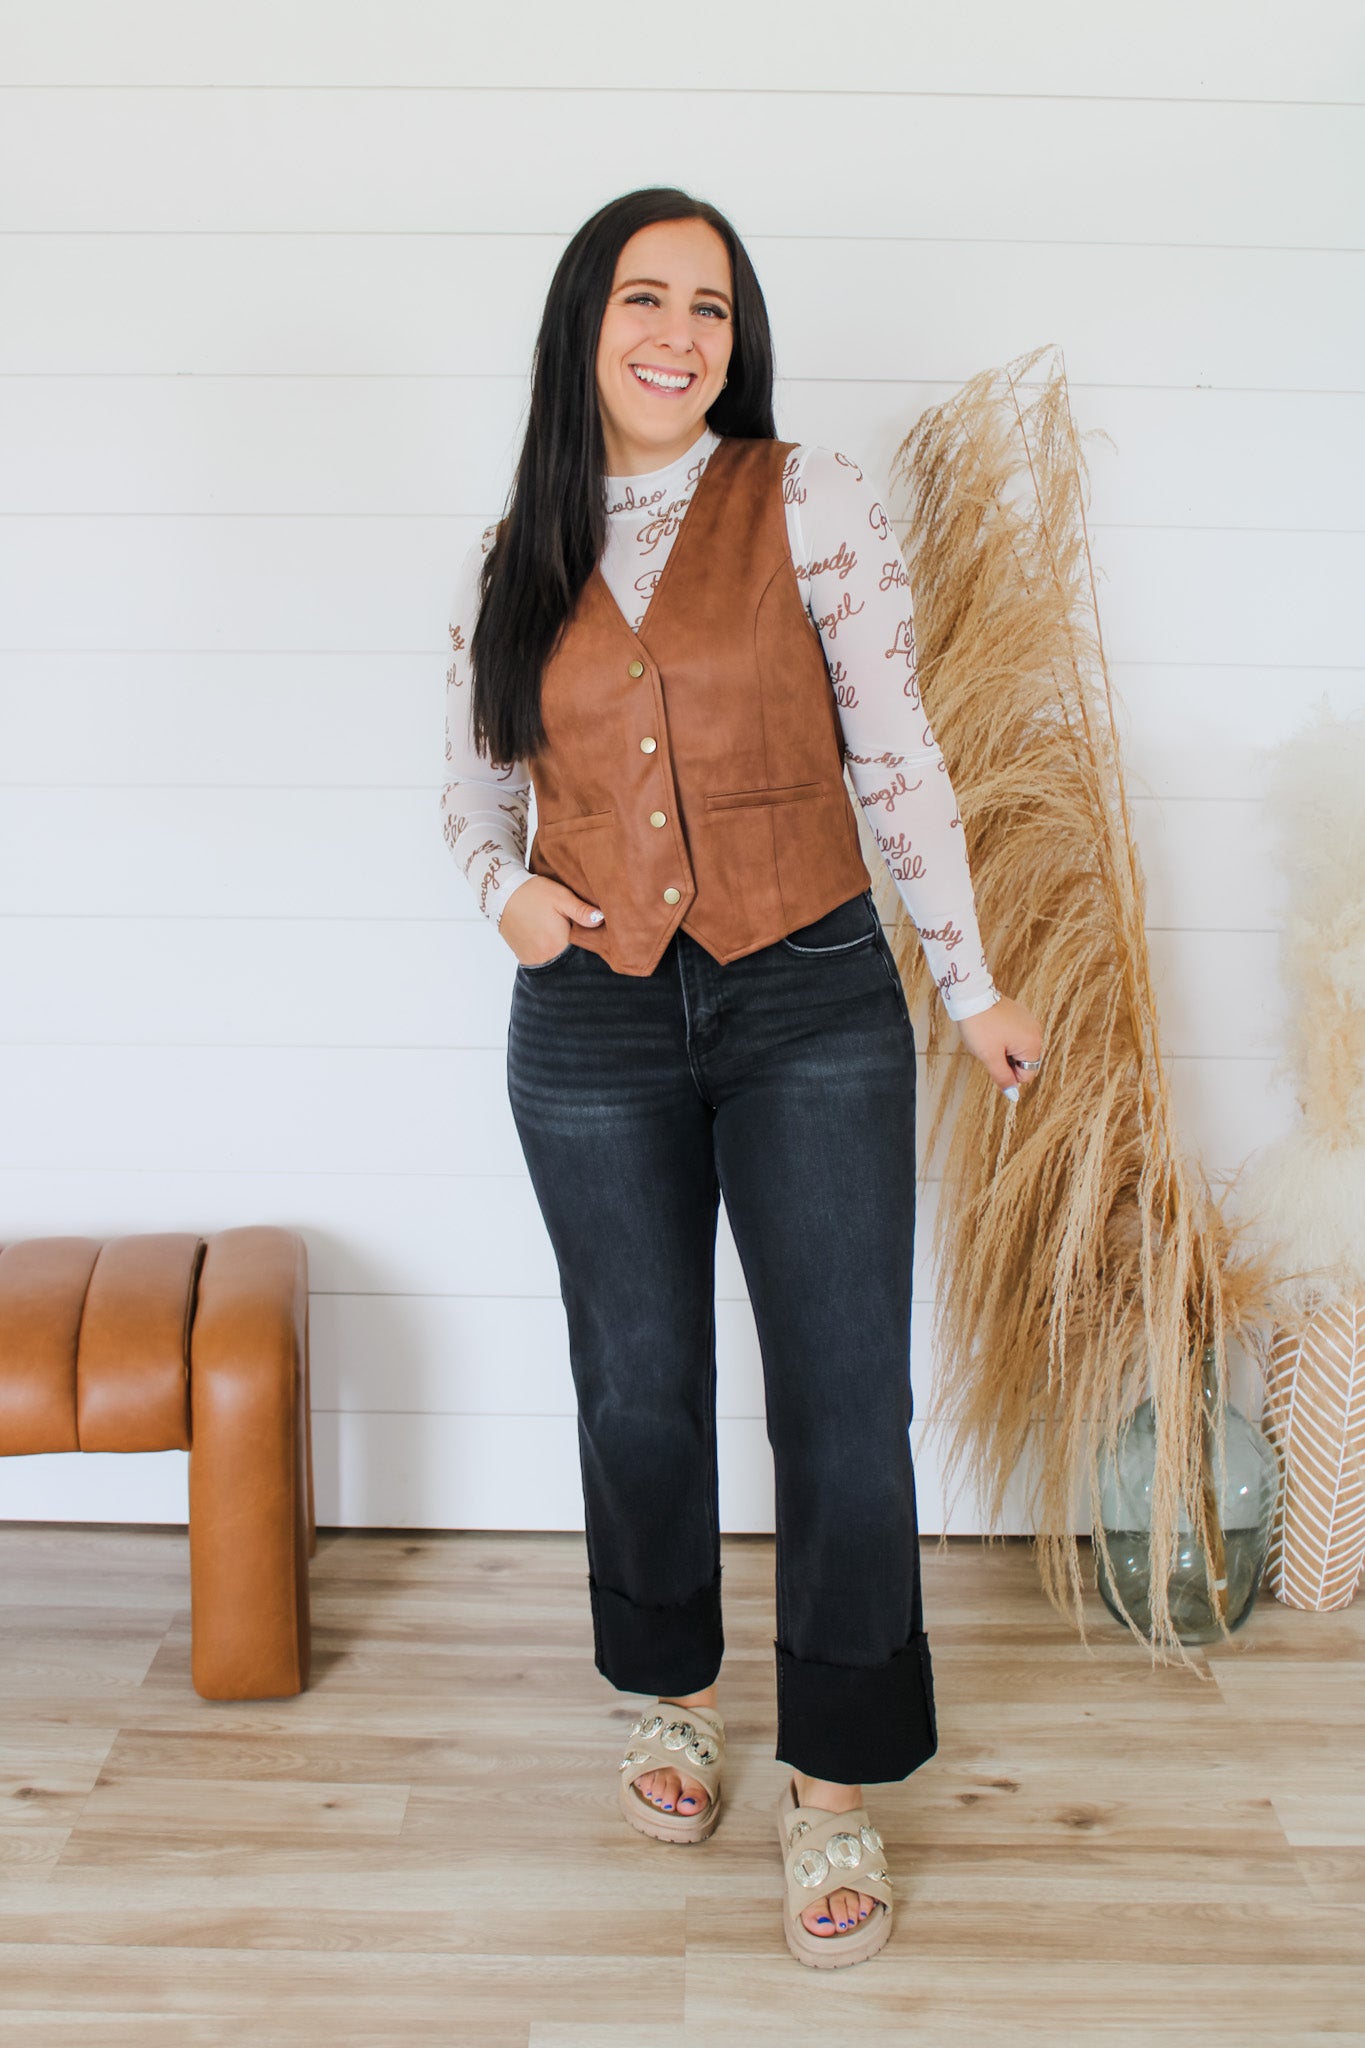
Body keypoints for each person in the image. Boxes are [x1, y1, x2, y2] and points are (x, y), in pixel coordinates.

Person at [441, 187, 1045, 1968]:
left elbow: (898, 750)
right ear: (584, 325)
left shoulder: (809, 500)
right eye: (645, 298)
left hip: (809, 998)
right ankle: (672, 1695)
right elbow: (473, 784)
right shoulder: (512, 552)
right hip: (591, 1017)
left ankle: (835, 1780)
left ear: (736, 340)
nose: (679, 334)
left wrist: (971, 983)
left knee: (843, 1398)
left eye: (709, 306)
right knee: (635, 1383)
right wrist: (502, 893)